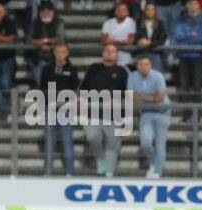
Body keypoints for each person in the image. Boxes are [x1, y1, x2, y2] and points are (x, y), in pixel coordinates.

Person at [81, 44, 130, 177]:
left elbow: (127, 96)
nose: (109, 53)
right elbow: (84, 88)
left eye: (113, 51)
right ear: (102, 53)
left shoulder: (122, 71)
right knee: (92, 138)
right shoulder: (93, 68)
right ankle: (100, 159)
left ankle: (109, 172)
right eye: (107, 51)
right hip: (93, 113)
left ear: (117, 55)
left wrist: (126, 122)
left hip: (114, 115)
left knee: (112, 144)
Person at [129, 55, 171, 178]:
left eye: (146, 64)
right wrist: (152, 97)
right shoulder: (132, 77)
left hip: (162, 111)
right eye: (141, 65)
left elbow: (160, 98)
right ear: (137, 66)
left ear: (150, 65)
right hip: (146, 112)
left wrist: (141, 96)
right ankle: (154, 163)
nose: (143, 67)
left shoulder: (158, 76)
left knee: (160, 144)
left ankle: (157, 172)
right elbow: (131, 97)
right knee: (145, 142)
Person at [43, 42, 78, 176]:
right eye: (58, 51)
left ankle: (70, 172)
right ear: (54, 53)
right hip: (50, 108)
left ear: (67, 53)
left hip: (66, 109)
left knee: (67, 140)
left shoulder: (72, 69)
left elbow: (74, 86)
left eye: (63, 52)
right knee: (49, 141)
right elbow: (43, 86)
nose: (60, 54)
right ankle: (48, 171)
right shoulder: (48, 69)